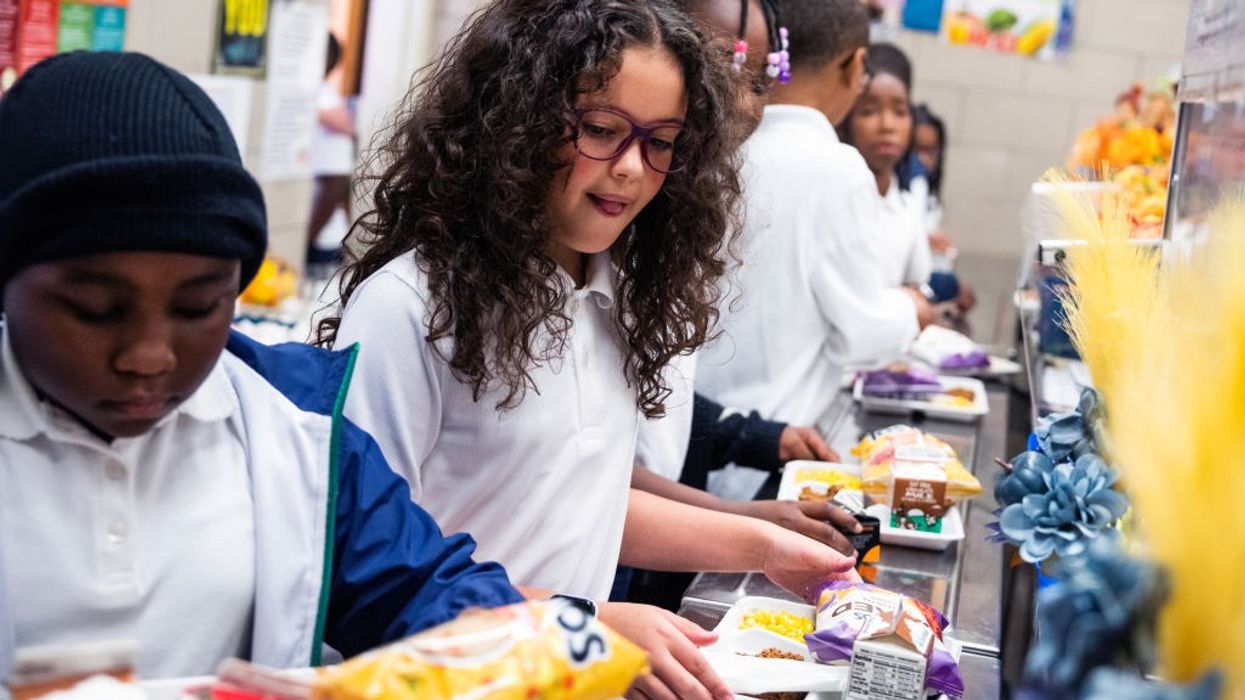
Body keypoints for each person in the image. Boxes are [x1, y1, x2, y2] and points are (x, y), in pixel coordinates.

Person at [318, 1, 859, 698]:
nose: (632, 168)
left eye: (662, 142)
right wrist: (584, 623)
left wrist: (761, 544)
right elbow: (367, 567)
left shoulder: (618, 295)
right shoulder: (411, 307)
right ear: (515, 125)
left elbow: (582, 502)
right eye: (602, 131)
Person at [0, 52, 523, 680]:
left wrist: (369, 690)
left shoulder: (292, 434)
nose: (147, 356)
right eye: (94, 309)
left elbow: (442, 597)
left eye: (198, 306)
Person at [697, 0, 935, 433]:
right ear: (855, 66)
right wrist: (911, 308)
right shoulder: (836, 168)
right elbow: (861, 334)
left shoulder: (722, 148)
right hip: (773, 436)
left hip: (700, 430)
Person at [838, 42, 932, 290]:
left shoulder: (906, 208)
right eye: (869, 111)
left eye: (900, 112)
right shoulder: (832, 199)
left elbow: (916, 285)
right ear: (846, 119)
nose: (887, 125)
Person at [306, 34, 356, 274]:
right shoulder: (320, 104)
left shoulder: (327, 108)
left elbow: (335, 184)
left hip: (320, 241)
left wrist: (307, 239)